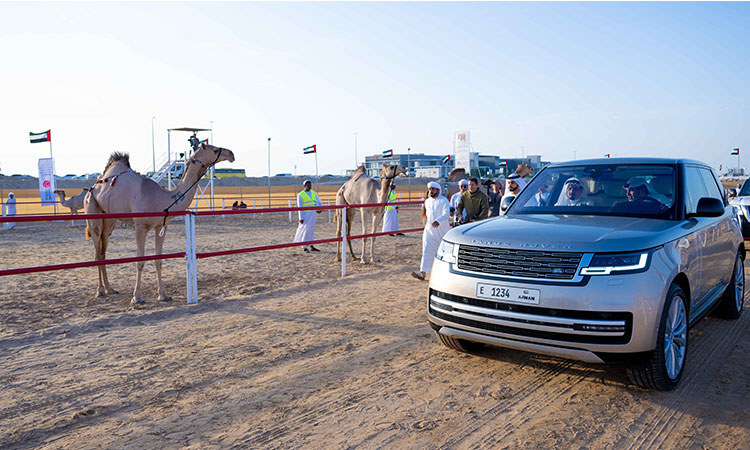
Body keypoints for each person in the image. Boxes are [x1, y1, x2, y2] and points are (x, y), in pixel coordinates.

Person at [412, 181, 451, 281]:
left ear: (438, 190)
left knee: (444, 251)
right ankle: (422, 273)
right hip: (429, 231)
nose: (431, 191)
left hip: (442, 231)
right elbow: (426, 215)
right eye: (430, 189)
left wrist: (438, 221)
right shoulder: (427, 201)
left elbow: (446, 213)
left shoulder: (444, 200)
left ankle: (445, 273)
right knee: (426, 250)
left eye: (433, 189)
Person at [293, 180, 323, 253]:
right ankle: (304, 246)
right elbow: (299, 207)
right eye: (308, 185)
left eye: (310, 185)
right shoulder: (300, 194)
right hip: (306, 214)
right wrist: (301, 217)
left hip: (313, 214)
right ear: (304, 186)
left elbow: (318, 201)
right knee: (305, 230)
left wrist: (320, 208)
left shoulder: (313, 192)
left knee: (311, 230)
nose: (309, 186)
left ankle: (311, 245)